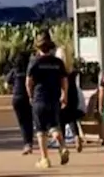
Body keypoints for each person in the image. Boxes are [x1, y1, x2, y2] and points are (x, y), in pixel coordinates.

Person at [25, 33, 68, 168]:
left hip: (39, 98)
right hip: (54, 99)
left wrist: (31, 96)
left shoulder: (34, 62)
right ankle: (62, 146)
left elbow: (28, 82)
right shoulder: (58, 62)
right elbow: (64, 80)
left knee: (41, 130)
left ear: (38, 47)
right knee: (54, 126)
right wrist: (64, 94)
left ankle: (45, 159)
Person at [3, 53, 34, 155]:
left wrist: (13, 88)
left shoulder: (14, 72)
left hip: (17, 98)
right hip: (29, 97)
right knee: (29, 121)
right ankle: (29, 143)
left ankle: (27, 144)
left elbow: (6, 85)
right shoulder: (30, 71)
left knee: (22, 123)